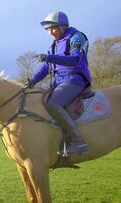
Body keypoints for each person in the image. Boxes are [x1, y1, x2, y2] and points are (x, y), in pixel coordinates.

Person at [27, 11, 91, 156]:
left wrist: (50, 57)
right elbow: (46, 67)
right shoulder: (54, 46)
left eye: (53, 28)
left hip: (75, 80)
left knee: (53, 103)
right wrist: (32, 81)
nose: (50, 32)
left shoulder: (76, 37)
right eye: (48, 30)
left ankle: (78, 142)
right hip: (59, 82)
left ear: (63, 26)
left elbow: (75, 59)